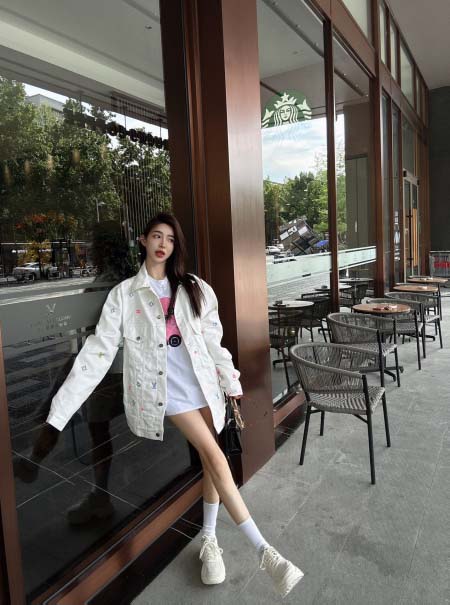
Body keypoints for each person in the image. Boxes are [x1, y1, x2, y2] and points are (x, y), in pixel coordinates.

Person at [45, 212, 304, 598]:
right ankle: (265, 552)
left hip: (204, 384)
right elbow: (96, 355)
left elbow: (213, 342)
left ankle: (209, 538)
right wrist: (59, 414)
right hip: (168, 391)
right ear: (143, 241)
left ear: (175, 245)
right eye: (156, 236)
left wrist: (230, 381)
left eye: (169, 238)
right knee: (215, 457)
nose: (162, 243)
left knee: (211, 462)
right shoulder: (125, 295)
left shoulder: (194, 287)